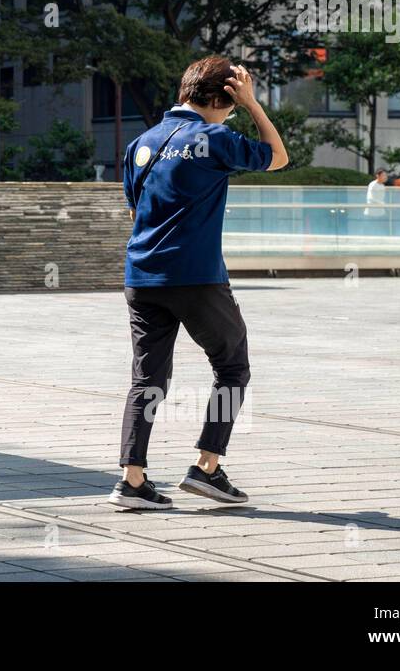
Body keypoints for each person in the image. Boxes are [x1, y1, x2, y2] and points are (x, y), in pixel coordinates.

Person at [109, 57, 288, 510]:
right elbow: (278, 157)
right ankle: (207, 467)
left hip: (142, 275)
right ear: (219, 100)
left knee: (146, 378)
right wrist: (253, 105)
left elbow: (136, 212)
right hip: (197, 276)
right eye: (231, 105)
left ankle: (132, 480)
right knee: (232, 368)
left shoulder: (141, 144)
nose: (231, 113)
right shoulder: (215, 138)